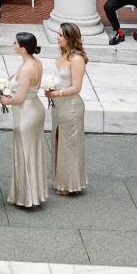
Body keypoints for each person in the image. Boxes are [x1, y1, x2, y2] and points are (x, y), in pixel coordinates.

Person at [0, 32, 47, 210]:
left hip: (26, 112)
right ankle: (32, 193)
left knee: (25, 153)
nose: (13, 45)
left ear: (23, 48)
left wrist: (6, 100)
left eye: (15, 43)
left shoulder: (27, 68)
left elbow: (19, 98)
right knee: (32, 152)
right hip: (34, 108)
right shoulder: (36, 63)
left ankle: (27, 197)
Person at [47, 22, 88, 196]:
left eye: (61, 35)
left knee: (69, 145)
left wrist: (56, 93)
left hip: (70, 106)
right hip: (58, 107)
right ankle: (60, 179)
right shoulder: (64, 55)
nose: (58, 38)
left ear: (70, 38)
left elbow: (76, 87)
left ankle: (71, 183)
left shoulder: (77, 59)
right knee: (59, 141)